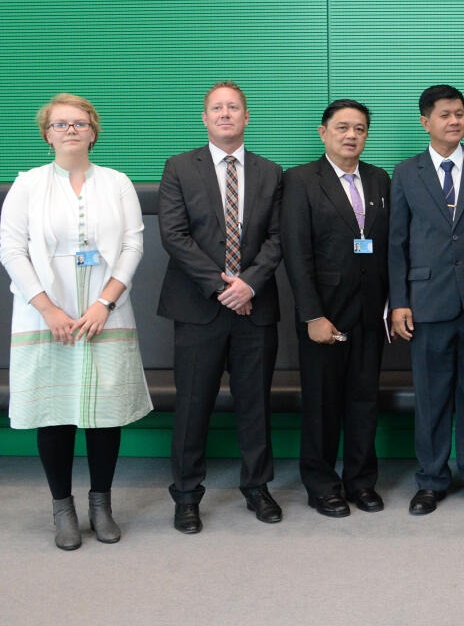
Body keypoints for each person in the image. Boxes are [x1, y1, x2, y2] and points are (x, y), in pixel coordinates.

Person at [1, 94, 152, 550]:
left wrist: (103, 304)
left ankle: (101, 504)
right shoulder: (27, 185)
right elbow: (12, 250)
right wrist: (48, 309)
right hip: (48, 317)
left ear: (94, 131)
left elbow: (132, 247)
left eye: (80, 123)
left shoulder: (117, 183)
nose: (71, 130)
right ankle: (62, 507)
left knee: (104, 417)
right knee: (56, 414)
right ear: (46, 133)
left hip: (103, 314)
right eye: (61, 124)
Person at [158, 80, 284, 533]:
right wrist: (221, 285)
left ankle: (257, 487)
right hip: (198, 308)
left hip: (256, 305)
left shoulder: (271, 171)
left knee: (256, 403)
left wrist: (248, 284)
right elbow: (174, 235)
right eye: (217, 108)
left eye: (234, 107)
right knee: (193, 405)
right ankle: (187, 495)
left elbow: (277, 237)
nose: (226, 114)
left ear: (246, 117)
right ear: (205, 118)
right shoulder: (179, 167)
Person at [389, 85, 464, 515]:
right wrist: (400, 301)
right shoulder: (406, 172)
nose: (454, 121)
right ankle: (432, 480)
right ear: (426, 122)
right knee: (432, 397)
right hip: (427, 302)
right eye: (444, 115)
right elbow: (396, 242)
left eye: (460, 113)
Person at [282, 100, 390, 518]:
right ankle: (322, 483)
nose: (351, 135)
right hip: (324, 314)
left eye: (360, 129)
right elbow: (296, 251)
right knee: (323, 403)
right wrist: (312, 315)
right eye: (342, 127)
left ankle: (361, 482)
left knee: (364, 401)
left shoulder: (380, 179)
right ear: (323, 132)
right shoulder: (301, 180)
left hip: (369, 312)